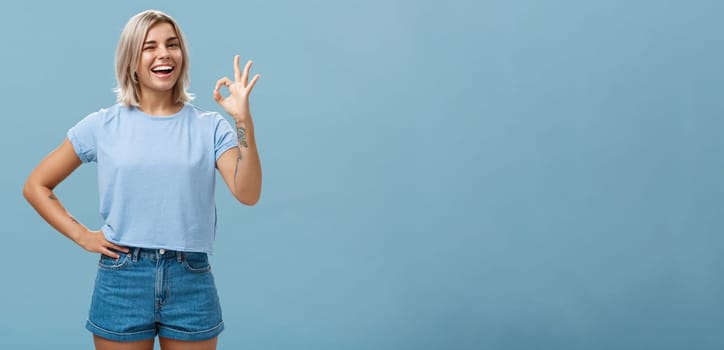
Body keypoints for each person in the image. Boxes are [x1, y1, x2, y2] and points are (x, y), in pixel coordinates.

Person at [22, 9, 261, 350]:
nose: (163, 53)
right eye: (150, 46)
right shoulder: (101, 126)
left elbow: (248, 192)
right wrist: (82, 236)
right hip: (122, 277)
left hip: (190, 277)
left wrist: (243, 121)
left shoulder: (210, 127)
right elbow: (36, 185)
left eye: (172, 44)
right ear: (131, 59)